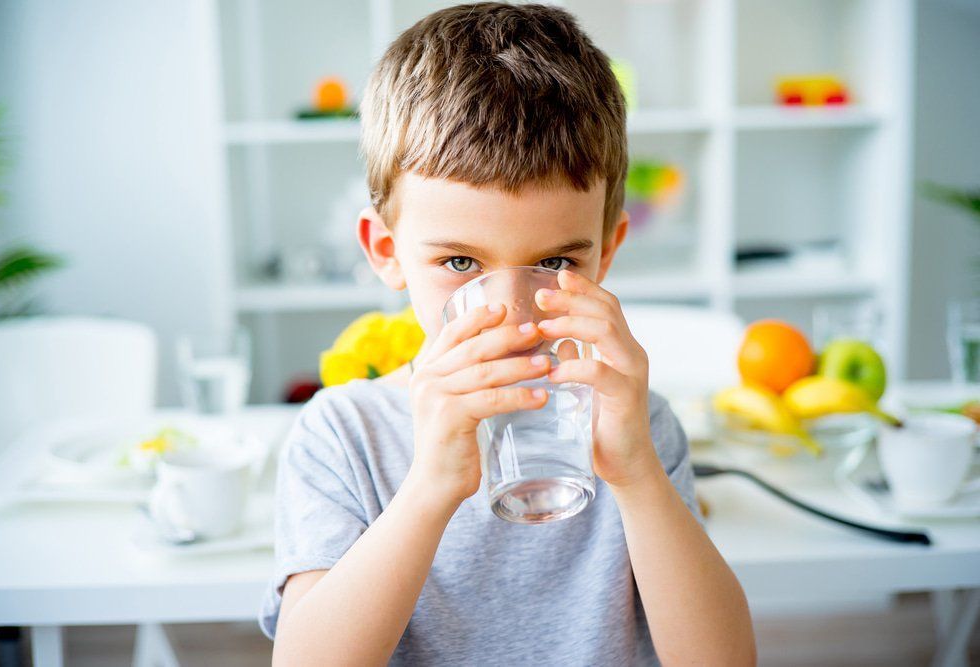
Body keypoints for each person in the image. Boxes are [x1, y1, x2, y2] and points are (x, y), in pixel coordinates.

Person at [260, 3, 755, 665]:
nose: (514, 316)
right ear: (385, 250)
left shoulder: (635, 426)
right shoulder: (344, 436)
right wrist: (431, 483)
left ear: (605, 254)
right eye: (461, 264)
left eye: (554, 263)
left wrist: (638, 474)